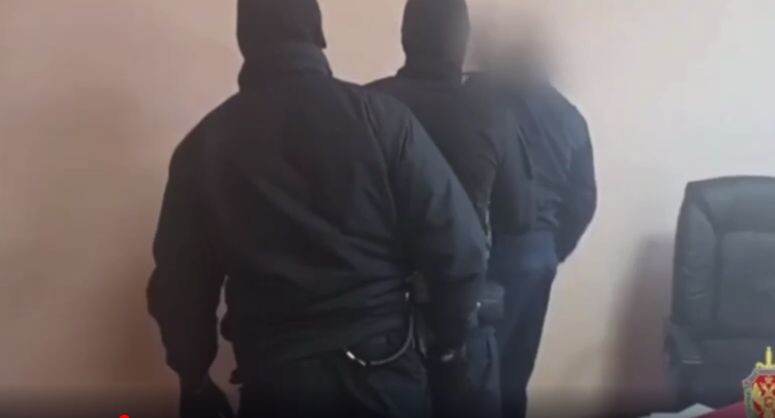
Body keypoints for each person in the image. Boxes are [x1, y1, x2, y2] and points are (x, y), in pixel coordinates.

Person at [147, 1, 488, 417]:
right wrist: (450, 346)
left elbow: (179, 287)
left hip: (277, 377)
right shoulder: (381, 119)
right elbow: (461, 246)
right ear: (319, 34)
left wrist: (194, 380)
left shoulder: (202, 146)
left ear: (244, 41)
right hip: (383, 370)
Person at [369, 1, 536, 417]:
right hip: (463, 318)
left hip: (379, 324)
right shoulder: (491, 113)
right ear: (462, 41)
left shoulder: (367, 104)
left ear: (405, 38)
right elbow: (520, 217)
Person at [467, 19, 598, 418]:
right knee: (515, 374)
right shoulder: (570, 116)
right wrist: (554, 250)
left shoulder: (486, 103)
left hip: (495, 252)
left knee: (479, 375)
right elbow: (584, 199)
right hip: (540, 256)